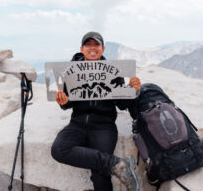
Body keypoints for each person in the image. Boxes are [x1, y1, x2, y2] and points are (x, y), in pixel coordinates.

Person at [51, 31, 141, 191]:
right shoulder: (69, 71)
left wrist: (131, 90)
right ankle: (117, 164)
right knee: (58, 149)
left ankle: (115, 166)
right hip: (77, 124)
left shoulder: (114, 71)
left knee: (100, 174)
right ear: (82, 49)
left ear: (103, 49)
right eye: (88, 45)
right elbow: (67, 103)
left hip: (103, 127)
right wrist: (62, 102)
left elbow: (121, 104)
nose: (92, 48)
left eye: (96, 45)